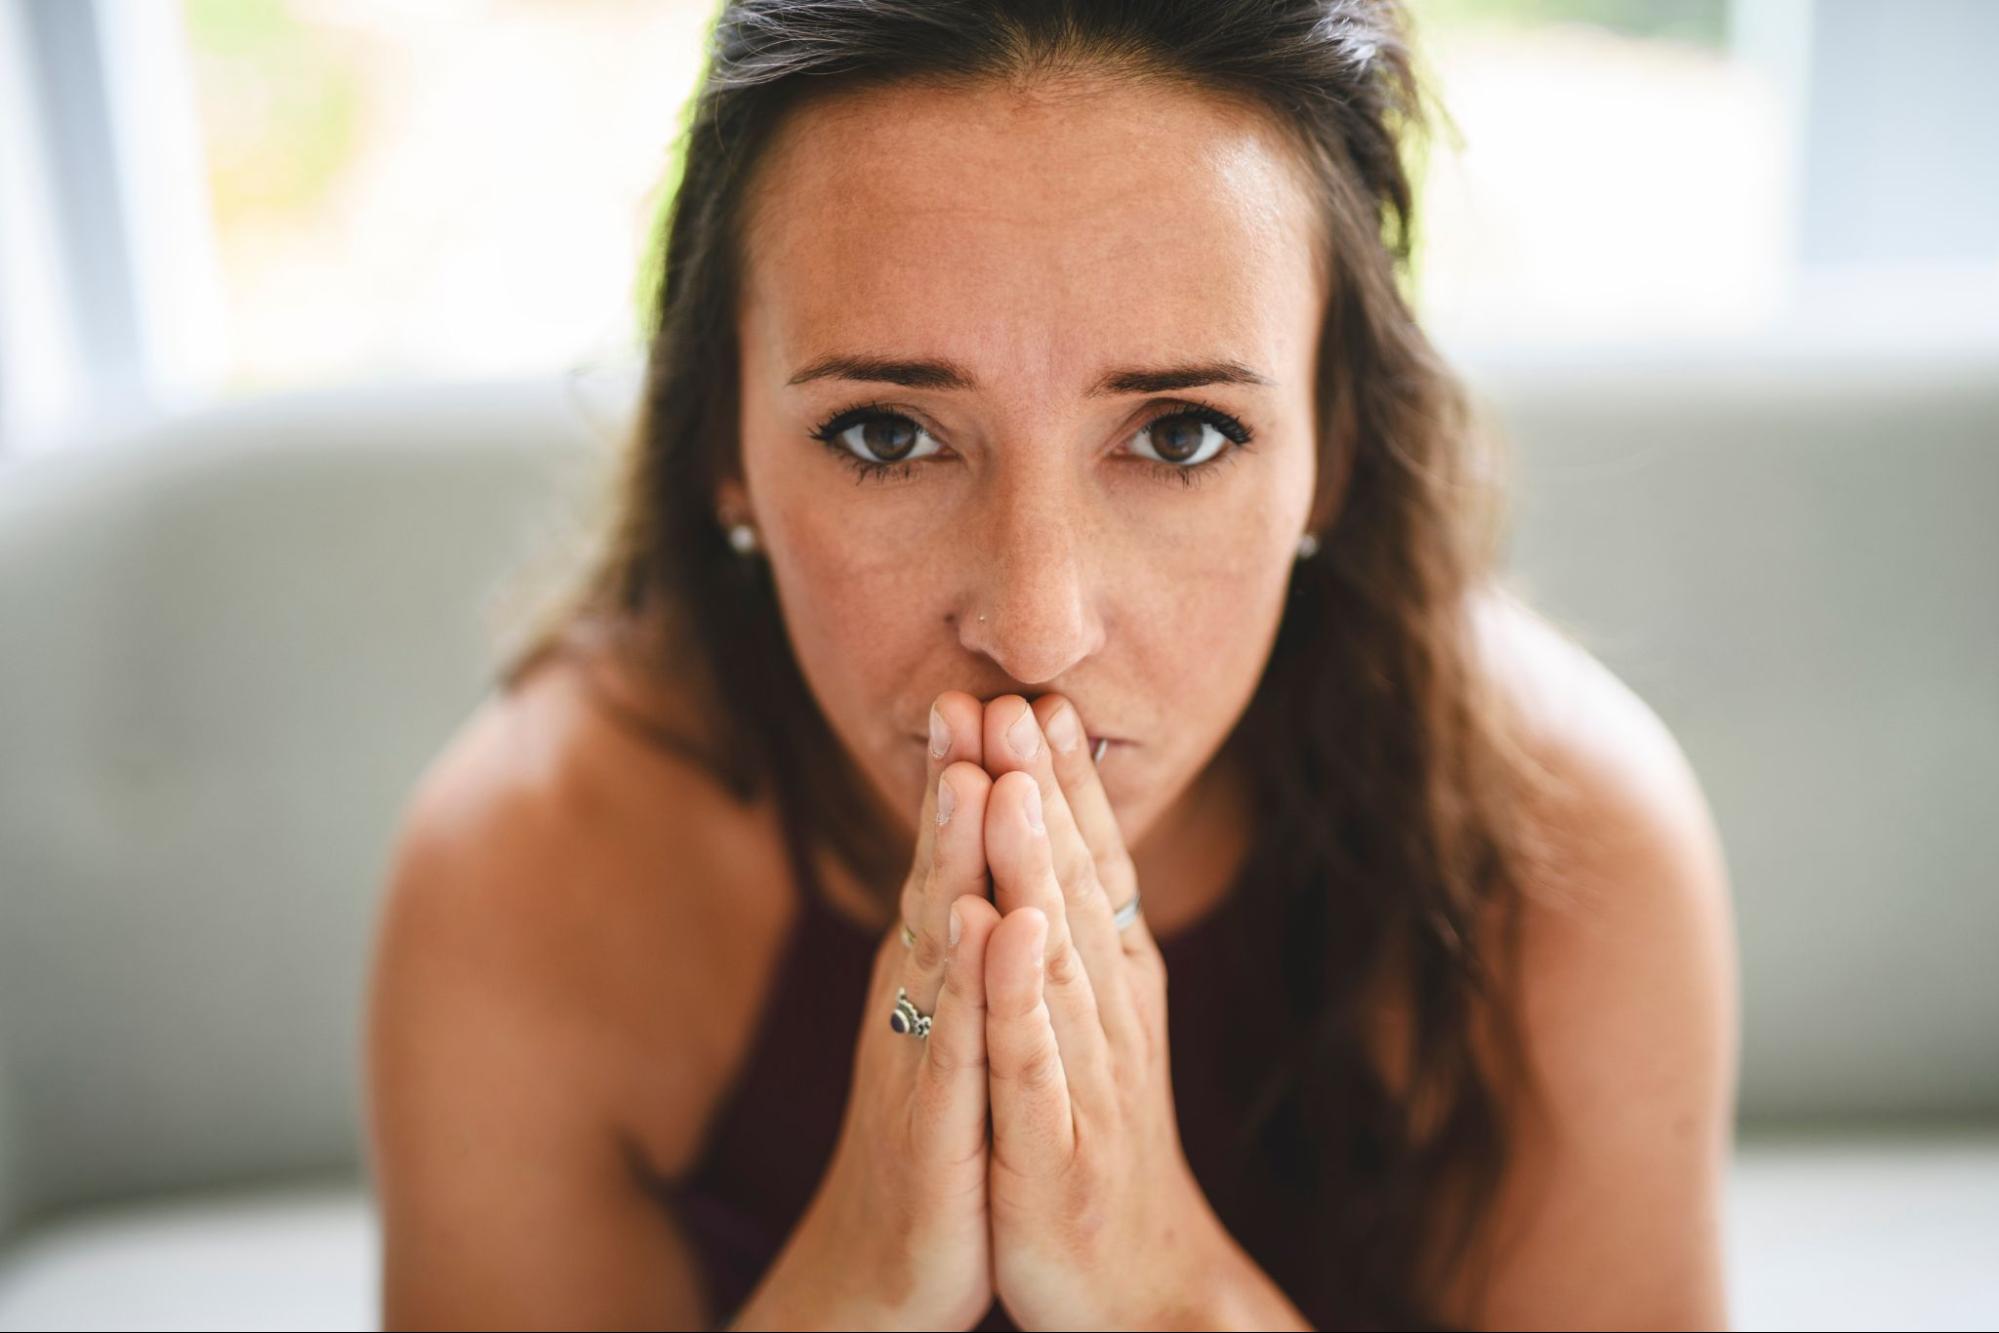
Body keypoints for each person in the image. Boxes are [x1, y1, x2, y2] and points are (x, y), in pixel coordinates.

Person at [362, 1, 1739, 1328]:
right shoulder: (529, 871)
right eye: (888, 435)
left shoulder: (1561, 856)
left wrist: (1165, 1291)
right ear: (722, 440)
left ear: (1336, 450)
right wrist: (858, 1285)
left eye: (1182, 434)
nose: (1033, 629)